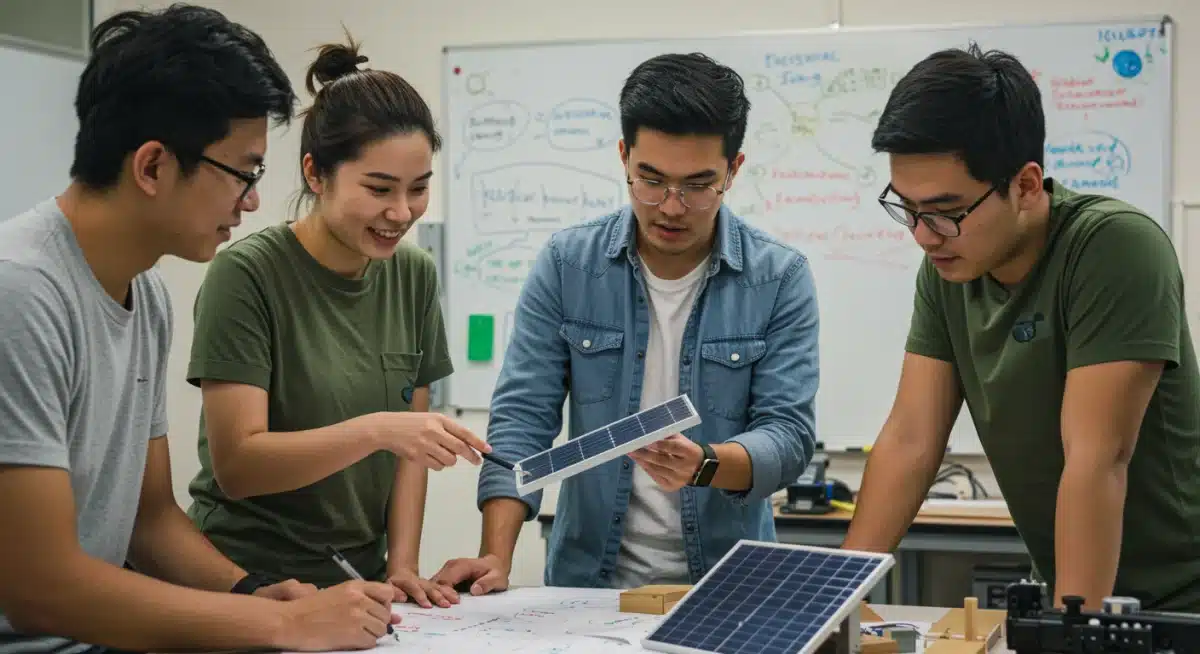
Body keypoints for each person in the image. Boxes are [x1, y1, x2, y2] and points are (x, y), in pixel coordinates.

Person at [0, 5, 408, 654]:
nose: (249, 201)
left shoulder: (148, 298)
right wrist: (282, 625)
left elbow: (151, 518)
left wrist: (251, 593)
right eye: (243, 173)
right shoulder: (21, 292)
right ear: (154, 167)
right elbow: (38, 586)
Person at [432, 52, 820, 593]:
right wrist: (494, 556)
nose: (671, 207)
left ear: (734, 169)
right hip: (587, 585)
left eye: (698, 185)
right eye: (651, 180)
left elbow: (789, 436)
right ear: (623, 157)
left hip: (730, 586)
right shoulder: (568, 265)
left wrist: (706, 463)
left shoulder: (778, 276)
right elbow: (523, 419)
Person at [842, 44, 1200, 611]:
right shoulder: (947, 271)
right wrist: (835, 603)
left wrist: (1073, 631)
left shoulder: (1114, 247)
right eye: (906, 208)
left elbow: (1096, 456)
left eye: (945, 211)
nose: (923, 235)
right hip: (1072, 593)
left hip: (1178, 603)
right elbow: (911, 439)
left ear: (1027, 185)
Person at [184, 33, 488, 610]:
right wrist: (379, 429)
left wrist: (401, 567)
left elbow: (410, 456)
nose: (401, 213)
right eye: (378, 190)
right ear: (316, 174)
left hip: (361, 584)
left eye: (418, 189)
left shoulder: (414, 276)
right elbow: (239, 466)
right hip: (248, 584)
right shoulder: (246, 276)